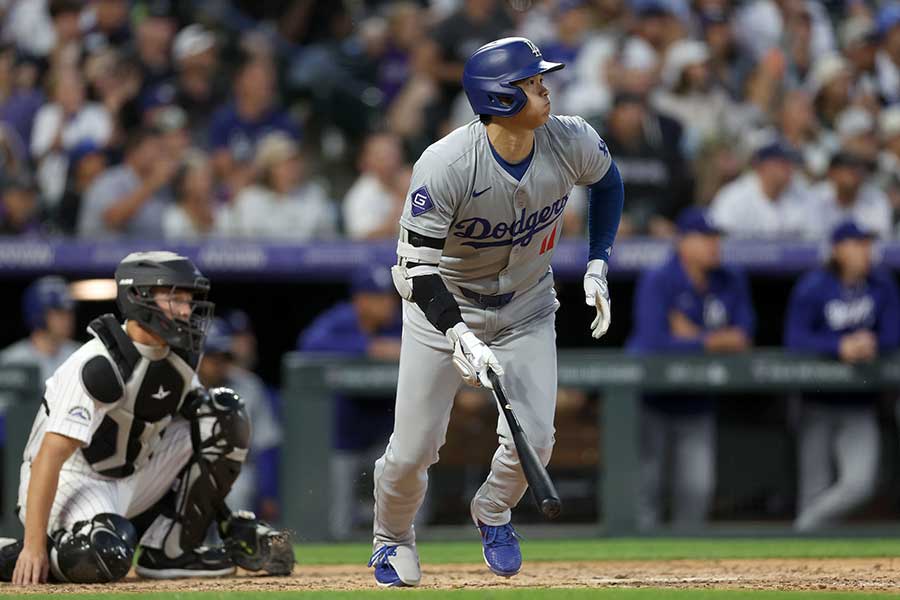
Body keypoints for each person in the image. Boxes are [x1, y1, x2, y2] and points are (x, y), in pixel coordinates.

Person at [368, 37, 622, 586]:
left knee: (538, 437)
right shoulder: (446, 164)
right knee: (413, 452)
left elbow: (608, 183)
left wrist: (599, 262)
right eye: (532, 82)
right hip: (445, 306)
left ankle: (492, 510)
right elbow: (415, 268)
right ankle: (391, 538)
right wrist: (456, 330)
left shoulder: (569, 137)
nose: (544, 87)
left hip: (528, 305)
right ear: (501, 98)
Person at [0, 251, 293, 585]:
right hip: (73, 478)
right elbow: (47, 459)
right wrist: (35, 546)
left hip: (133, 472)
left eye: (188, 299)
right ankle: (11, 553)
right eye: (175, 298)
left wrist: (228, 520)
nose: (186, 309)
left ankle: (171, 551)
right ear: (139, 296)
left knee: (222, 413)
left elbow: (201, 437)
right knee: (102, 556)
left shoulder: (180, 358)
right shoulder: (98, 364)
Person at [627, 208, 755, 530]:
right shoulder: (659, 278)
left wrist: (697, 337)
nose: (714, 245)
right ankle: (640, 565)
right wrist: (715, 341)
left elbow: (744, 334)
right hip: (650, 397)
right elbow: (655, 341)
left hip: (696, 400)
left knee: (697, 489)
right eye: (705, 238)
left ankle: (685, 568)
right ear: (682, 242)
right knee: (646, 487)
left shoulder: (730, 277)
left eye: (716, 238)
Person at [785, 222, 900, 531]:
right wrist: (839, 345)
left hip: (859, 403)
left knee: (860, 484)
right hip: (816, 401)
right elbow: (795, 339)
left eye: (866, 244)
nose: (864, 251)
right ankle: (803, 567)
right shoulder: (813, 286)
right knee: (813, 489)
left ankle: (802, 529)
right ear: (837, 249)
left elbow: (893, 332)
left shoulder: (881, 284)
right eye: (855, 244)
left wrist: (871, 342)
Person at [297, 265, 402, 541]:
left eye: (389, 297)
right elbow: (308, 346)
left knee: (406, 487)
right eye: (379, 297)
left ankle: (407, 541)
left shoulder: (398, 324)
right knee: (338, 521)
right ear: (361, 300)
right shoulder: (339, 321)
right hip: (342, 438)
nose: (388, 303)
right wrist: (368, 348)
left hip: (384, 432)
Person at [198, 318, 282, 523]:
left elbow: (266, 444)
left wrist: (268, 492)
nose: (219, 364)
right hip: (183, 469)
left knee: (238, 487)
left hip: (232, 469)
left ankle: (232, 552)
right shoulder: (179, 383)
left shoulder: (249, 386)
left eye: (224, 357)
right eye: (212, 357)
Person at [229, 133, 336, 240]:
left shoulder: (315, 194)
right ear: (270, 169)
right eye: (285, 163)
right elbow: (247, 244)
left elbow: (327, 241)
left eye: (295, 161)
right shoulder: (250, 199)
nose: (293, 168)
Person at [76, 127, 176, 239]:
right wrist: (151, 184)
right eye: (155, 149)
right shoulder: (109, 179)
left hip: (147, 252)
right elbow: (112, 219)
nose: (160, 155)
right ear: (134, 151)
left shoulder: (163, 187)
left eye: (163, 150)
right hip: (100, 253)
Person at [709, 139, 811, 239]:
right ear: (763, 165)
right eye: (783, 164)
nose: (789, 169)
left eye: (791, 163)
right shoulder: (734, 197)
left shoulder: (800, 195)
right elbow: (717, 239)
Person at [0, 277, 79, 387]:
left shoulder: (81, 355)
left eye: (69, 312)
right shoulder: (11, 361)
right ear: (37, 315)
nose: (68, 319)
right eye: (59, 313)